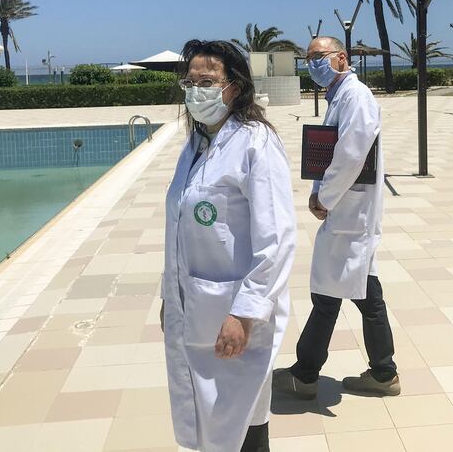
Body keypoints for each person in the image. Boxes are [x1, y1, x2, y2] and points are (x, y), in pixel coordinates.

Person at [161, 39, 295, 452]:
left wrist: (245, 313)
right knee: (218, 423)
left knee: (242, 422)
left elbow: (277, 240)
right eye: (190, 81)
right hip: (196, 312)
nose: (195, 90)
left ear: (233, 88)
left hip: (235, 318)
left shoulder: (255, 142)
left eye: (207, 81)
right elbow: (181, 228)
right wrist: (170, 297)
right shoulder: (196, 144)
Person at [273, 36, 400, 399]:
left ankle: (306, 374)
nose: (313, 64)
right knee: (361, 291)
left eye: (319, 57)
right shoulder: (342, 95)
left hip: (349, 211)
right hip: (349, 213)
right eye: (308, 59)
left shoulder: (356, 97)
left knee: (331, 293)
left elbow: (351, 154)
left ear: (341, 58)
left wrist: (324, 197)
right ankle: (382, 371)